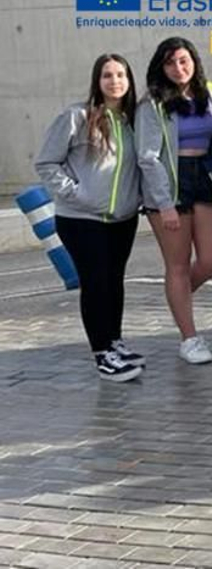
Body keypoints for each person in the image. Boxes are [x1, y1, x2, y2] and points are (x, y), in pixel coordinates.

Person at [35, 54, 145, 381]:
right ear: (97, 81)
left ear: (129, 80)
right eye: (107, 76)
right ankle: (102, 354)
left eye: (120, 75)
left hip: (122, 218)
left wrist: (135, 198)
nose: (114, 82)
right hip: (81, 219)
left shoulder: (131, 121)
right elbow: (46, 163)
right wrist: (75, 193)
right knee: (95, 283)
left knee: (113, 282)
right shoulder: (78, 117)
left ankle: (114, 341)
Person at [135, 37, 212, 365]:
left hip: (204, 176)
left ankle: (177, 299)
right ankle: (189, 337)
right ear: (161, 67)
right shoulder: (152, 103)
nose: (179, 68)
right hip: (169, 182)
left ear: (195, 62)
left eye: (184, 61)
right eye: (171, 62)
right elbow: (147, 156)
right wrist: (164, 203)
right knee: (177, 264)